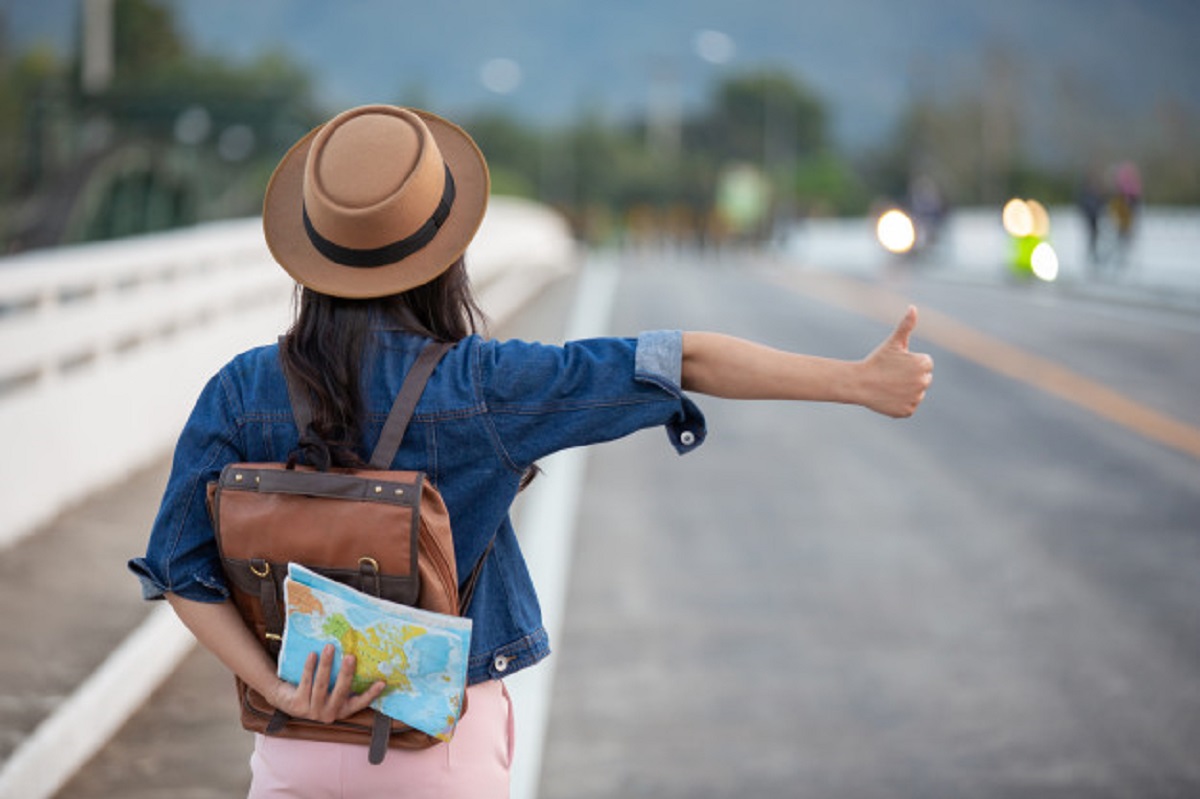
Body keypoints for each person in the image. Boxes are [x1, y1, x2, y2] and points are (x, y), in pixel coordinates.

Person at [129, 105, 933, 798]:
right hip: (436, 744)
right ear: (444, 251)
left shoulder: (238, 389)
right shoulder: (485, 384)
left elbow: (179, 566)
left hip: (293, 748)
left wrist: (279, 688)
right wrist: (856, 381)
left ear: (314, 250)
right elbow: (676, 359)